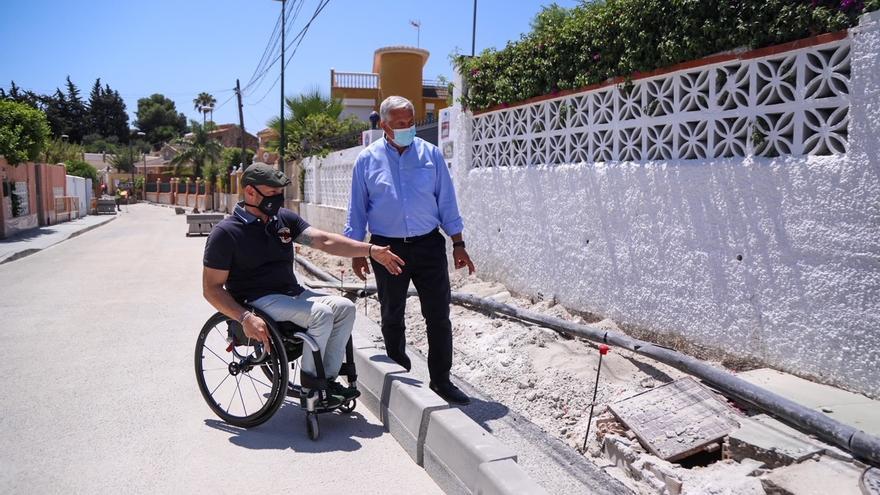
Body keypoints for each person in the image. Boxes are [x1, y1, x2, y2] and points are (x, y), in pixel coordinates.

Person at [203, 163, 404, 406]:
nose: (278, 198)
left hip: (292, 294)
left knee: (345, 307)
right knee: (320, 313)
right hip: (257, 300)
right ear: (250, 193)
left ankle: (326, 383)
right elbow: (211, 289)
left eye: (280, 192)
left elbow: (325, 241)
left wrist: (371, 250)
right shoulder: (226, 233)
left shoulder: (283, 220)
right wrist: (244, 317)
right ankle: (312, 390)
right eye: (272, 192)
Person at [344, 96, 476, 405]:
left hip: (429, 245)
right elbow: (357, 211)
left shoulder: (431, 155)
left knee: (438, 316)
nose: (407, 128)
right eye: (400, 124)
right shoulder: (367, 160)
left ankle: (441, 381)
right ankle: (400, 377)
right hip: (387, 249)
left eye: (411, 123)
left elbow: (447, 203)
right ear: (386, 126)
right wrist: (357, 252)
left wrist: (458, 244)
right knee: (392, 315)